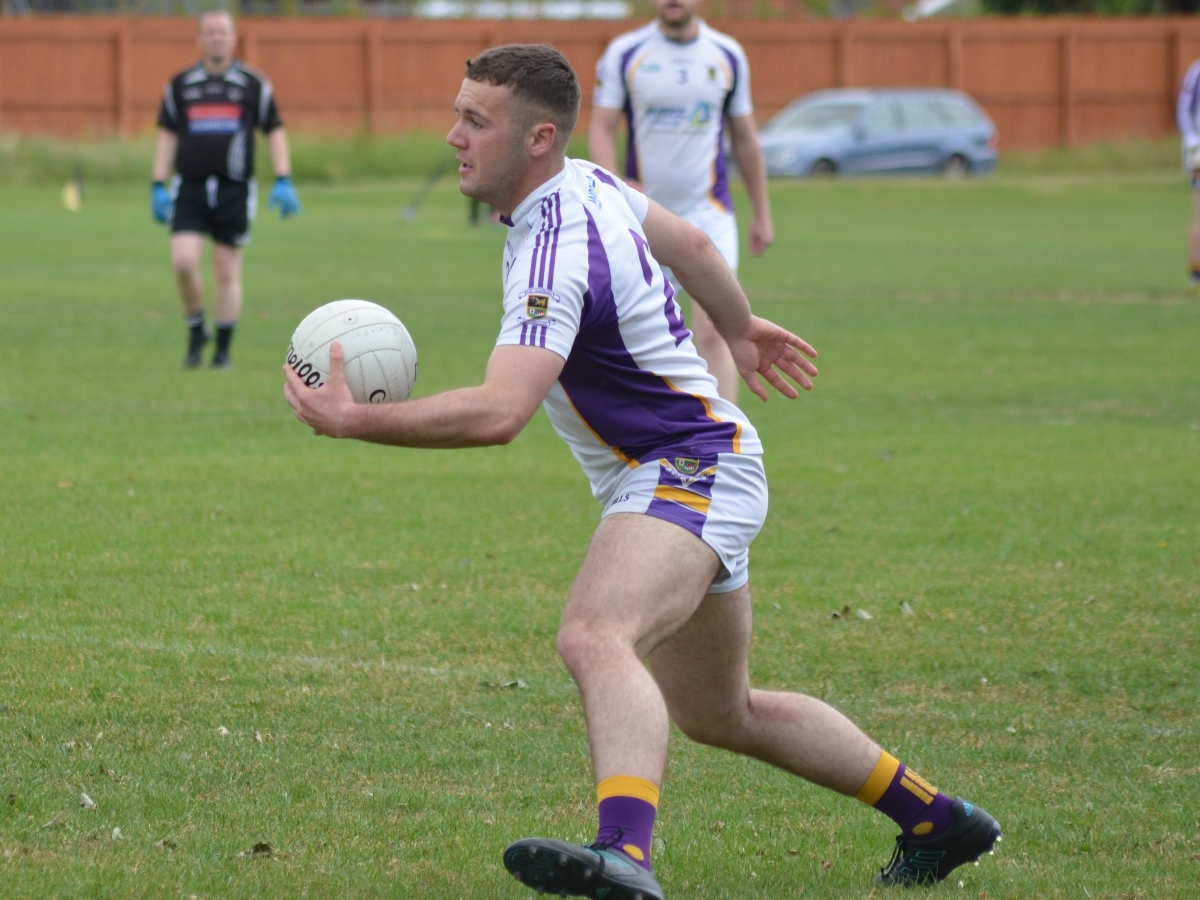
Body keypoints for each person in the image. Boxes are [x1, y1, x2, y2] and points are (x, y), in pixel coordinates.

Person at [283, 44, 1001, 898]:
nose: (453, 137)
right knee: (720, 713)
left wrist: (355, 420)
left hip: (686, 465)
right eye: (458, 115)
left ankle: (624, 854)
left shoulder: (555, 244)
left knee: (594, 634)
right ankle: (938, 818)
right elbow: (693, 243)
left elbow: (501, 411)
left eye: (476, 121)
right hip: (694, 462)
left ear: (538, 137)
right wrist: (737, 328)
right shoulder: (590, 182)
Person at [589, 0, 773, 403]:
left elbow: (745, 139)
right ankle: (663, 435)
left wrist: (762, 215)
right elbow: (601, 127)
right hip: (644, 219)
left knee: (716, 328)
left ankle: (724, 444)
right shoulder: (625, 53)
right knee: (645, 334)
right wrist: (613, 186)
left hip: (712, 215)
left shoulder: (727, 54)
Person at [152, 10, 301, 370]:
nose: (217, 38)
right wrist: (157, 182)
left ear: (233, 38)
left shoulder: (253, 84)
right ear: (199, 39)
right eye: (210, 32)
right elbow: (167, 133)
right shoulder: (180, 84)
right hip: (189, 188)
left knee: (225, 270)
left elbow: (275, 130)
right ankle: (195, 328)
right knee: (184, 262)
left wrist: (283, 177)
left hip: (235, 189)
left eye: (223, 32)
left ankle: (222, 351)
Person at [1177, 57, 1200, 291]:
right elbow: (1183, 107)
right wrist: (1192, 140)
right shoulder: (1196, 71)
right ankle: (1196, 273)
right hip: (1197, 155)